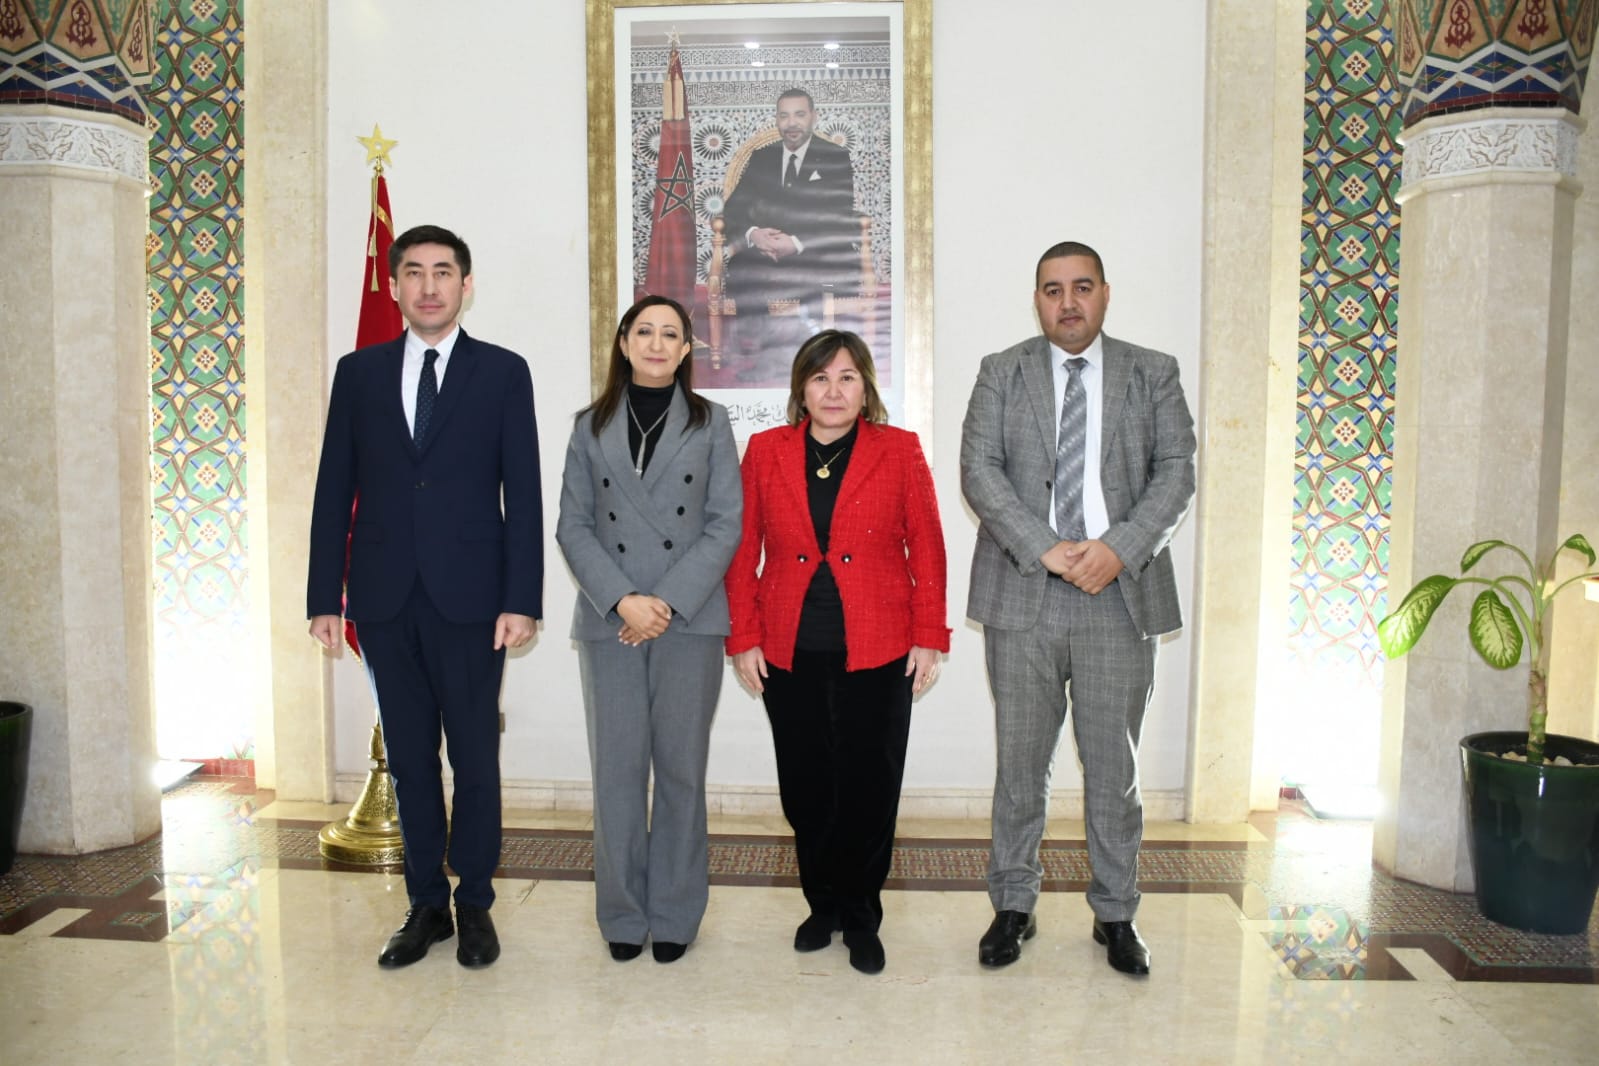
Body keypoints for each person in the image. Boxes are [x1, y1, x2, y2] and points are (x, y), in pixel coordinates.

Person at [307, 224, 542, 970]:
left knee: (473, 758)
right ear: (395, 285)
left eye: (443, 272)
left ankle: (475, 903)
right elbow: (332, 490)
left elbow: (523, 494)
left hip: (473, 600)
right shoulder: (359, 372)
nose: (429, 286)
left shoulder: (502, 372)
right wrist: (323, 596)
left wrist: (522, 598)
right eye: (414, 272)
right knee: (409, 761)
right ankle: (425, 905)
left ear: (465, 286)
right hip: (383, 598)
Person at [960, 241, 1196, 977]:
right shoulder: (1000, 372)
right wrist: (1048, 548)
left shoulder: (1152, 372)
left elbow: (1176, 472)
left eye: (1081, 287)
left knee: (1112, 770)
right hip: (1023, 592)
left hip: (1117, 598)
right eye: (1052, 289)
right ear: (1036, 298)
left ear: (1104, 293)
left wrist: (1117, 548)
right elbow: (979, 471)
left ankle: (1116, 914)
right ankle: (1012, 905)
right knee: (1019, 766)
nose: (1068, 302)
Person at [726, 329, 948, 975]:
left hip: (879, 643)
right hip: (789, 644)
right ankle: (820, 905)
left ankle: (861, 915)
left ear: (865, 388)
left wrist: (929, 636)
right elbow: (741, 550)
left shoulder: (899, 450)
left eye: (847, 377)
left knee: (870, 785)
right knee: (805, 786)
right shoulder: (766, 451)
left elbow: (927, 546)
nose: (833, 390)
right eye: (820, 377)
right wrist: (743, 637)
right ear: (801, 389)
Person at [555, 295, 742, 965]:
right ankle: (622, 914)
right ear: (624, 343)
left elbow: (726, 523)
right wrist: (623, 601)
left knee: (682, 772)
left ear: (687, 349)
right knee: (617, 773)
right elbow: (573, 525)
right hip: (610, 622)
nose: (657, 343)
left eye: (670, 334)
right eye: (645, 332)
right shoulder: (588, 426)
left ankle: (675, 914)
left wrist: (662, 602)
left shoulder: (711, 423)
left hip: (688, 621)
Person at [720, 88, 859, 377]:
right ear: (777, 120)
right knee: (740, 267)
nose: (791, 123)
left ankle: (811, 361)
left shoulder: (835, 156)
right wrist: (754, 234)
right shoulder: (762, 157)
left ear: (813, 117)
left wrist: (795, 243)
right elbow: (733, 208)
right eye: (784, 116)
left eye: (799, 114)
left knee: (814, 275)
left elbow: (839, 215)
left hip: (814, 251)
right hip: (767, 251)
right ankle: (760, 355)